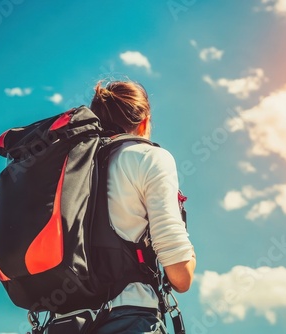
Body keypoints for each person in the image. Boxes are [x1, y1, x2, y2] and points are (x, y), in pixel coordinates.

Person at [89, 80, 196, 333]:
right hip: (128, 318)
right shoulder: (148, 158)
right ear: (144, 121)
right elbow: (180, 277)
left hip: (62, 321)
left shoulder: (69, 169)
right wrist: (189, 257)